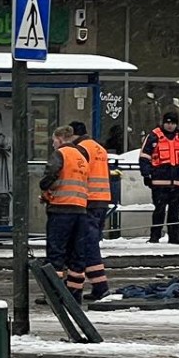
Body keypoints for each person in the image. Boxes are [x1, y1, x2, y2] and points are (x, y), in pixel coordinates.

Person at [41, 126, 90, 295]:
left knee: (56, 254)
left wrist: (44, 187)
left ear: (60, 139)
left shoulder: (60, 154)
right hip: (80, 210)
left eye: (54, 140)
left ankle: (54, 293)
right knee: (77, 255)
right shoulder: (82, 156)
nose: (53, 144)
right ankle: (74, 294)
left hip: (61, 210)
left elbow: (51, 174)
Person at [138, 112, 179, 244]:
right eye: (168, 123)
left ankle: (174, 236)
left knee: (174, 211)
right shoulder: (154, 136)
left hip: (178, 182)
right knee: (159, 210)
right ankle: (155, 236)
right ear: (163, 123)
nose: (170, 126)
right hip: (159, 182)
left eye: (173, 123)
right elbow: (144, 157)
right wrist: (146, 175)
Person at [69, 120, 111, 301]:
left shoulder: (80, 149)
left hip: (88, 200)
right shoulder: (99, 148)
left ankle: (100, 287)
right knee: (90, 243)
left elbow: (79, 173)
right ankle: (98, 286)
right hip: (102, 199)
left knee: (87, 245)